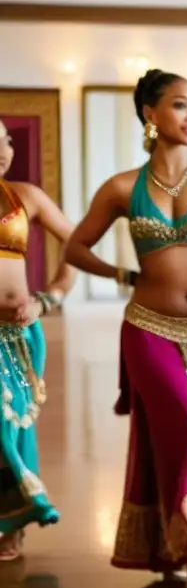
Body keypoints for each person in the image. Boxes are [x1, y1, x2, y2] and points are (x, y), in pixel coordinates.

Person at [64, 70, 187, 588]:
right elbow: (74, 248)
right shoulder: (123, 187)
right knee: (182, 430)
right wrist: (121, 275)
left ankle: (176, 534)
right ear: (151, 114)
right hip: (149, 329)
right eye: (180, 105)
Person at [0, 119, 77, 561]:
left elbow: (76, 244)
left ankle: (12, 522)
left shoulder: (25, 196)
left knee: (11, 423)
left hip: (18, 334)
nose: (4, 149)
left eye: (7, 141)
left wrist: (51, 298)